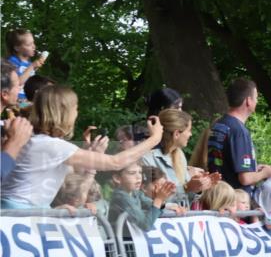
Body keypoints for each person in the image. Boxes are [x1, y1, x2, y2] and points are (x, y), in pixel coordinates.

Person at [2, 85, 163, 209]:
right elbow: (116, 162)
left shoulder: (35, 141)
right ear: (65, 112)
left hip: (18, 212)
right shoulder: (52, 145)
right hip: (20, 215)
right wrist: (154, 139)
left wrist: (51, 210)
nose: (77, 113)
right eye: (76, 108)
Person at [196, 78, 271, 196]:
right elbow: (245, 179)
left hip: (217, 194)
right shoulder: (239, 131)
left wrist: (253, 168)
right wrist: (265, 173)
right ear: (248, 101)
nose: (257, 101)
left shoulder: (219, 124)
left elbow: (226, 165)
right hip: (234, 199)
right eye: (256, 98)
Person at [140, 108, 216, 208]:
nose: (191, 134)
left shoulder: (179, 156)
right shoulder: (146, 159)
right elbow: (146, 201)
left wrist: (198, 187)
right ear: (176, 134)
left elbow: (185, 200)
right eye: (189, 130)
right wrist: (186, 188)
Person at [5, 29, 47, 102]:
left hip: (28, 98)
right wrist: (32, 67)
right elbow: (16, 83)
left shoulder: (28, 63)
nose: (34, 46)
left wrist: (34, 68)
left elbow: (28, 79)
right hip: (17, 99)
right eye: (29, 45)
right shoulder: (12, 61)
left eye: (33, 43)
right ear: (17, 48)